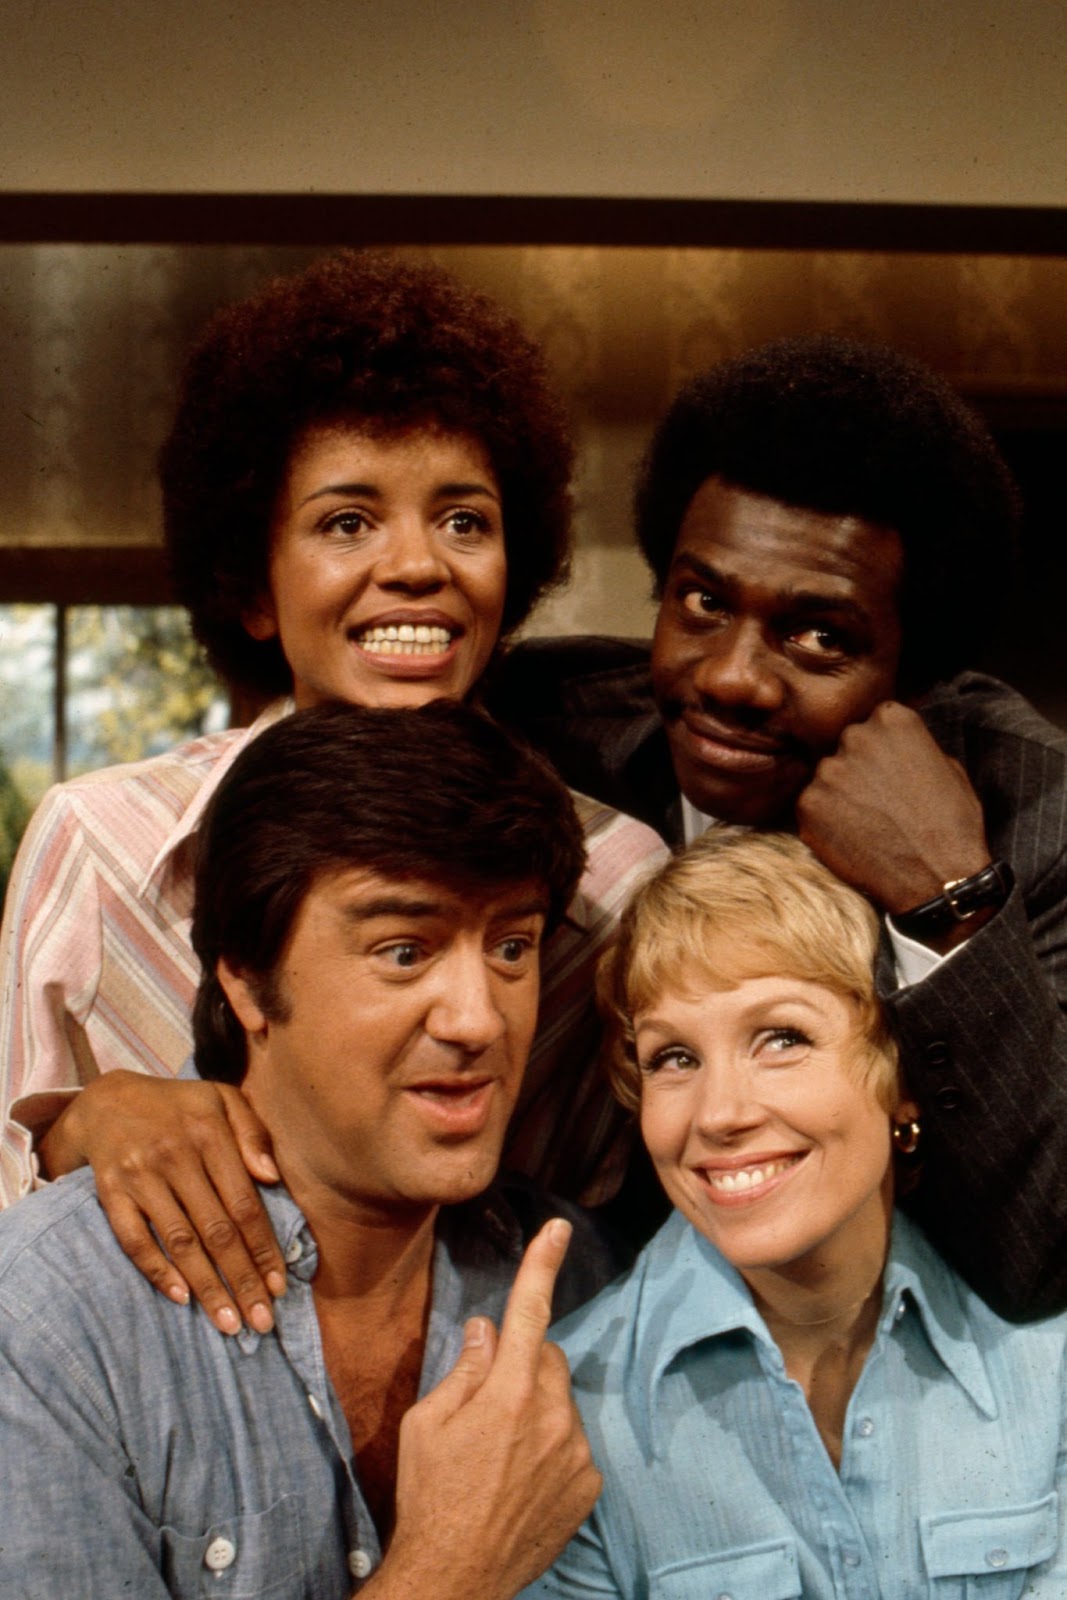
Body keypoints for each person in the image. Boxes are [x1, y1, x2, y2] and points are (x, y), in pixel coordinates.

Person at [0, 252, 666, 1333]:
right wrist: (85, 1124)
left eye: (464, 520)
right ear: (252, 587)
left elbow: (594, 1240)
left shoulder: (615, 883)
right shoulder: (99, 843)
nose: (417, 566)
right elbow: (13, 1201)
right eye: (346, 521)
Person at [0, 700, 627, 1600]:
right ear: (248, 980)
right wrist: (448, 1572)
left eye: (511, 946)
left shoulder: (589, 1283)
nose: (479, 1019)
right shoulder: (49, 1326)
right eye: (404, 951)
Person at [494, 334, 1067, 1315]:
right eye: (703, 601)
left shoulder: (1037, 820)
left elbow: (1041, 1257)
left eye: (817, 636)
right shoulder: (539, 732)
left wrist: (949, 900)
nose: (730, 677)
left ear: (920, 678)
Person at [522, 830, 1067, 1600]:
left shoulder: (1047, 1356)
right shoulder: (562, 1414)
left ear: (900, 1076)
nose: (719, 1114)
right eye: (674, 1058)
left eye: (781, 1038)